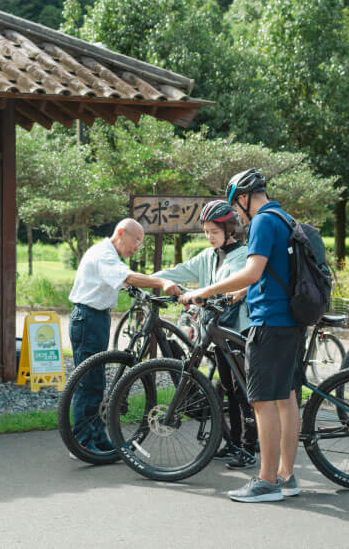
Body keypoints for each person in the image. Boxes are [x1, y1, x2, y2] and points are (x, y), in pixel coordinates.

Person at [180, 169, 303, 503]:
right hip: (292, 320)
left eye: (237, 204)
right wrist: (237, 293)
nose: (238, 211)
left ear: (245, 197)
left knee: (262, 402)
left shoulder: (264, 220)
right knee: (287, 399)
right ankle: (286, 477)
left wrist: (204, 291)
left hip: (269, 321)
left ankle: (266, 481)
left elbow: (252, 271)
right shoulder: (285, 217)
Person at [152, 200, 258, 469]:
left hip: (238, 329)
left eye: (214, 231)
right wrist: (150, 280)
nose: (209, 236)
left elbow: (235, 285)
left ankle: (249, 448)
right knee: (227, 389)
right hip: (217, 332)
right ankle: (234, 442)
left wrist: (204, 295)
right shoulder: (208, 256)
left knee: (242, 389)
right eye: (206, 231)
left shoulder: (243, 255)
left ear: (229, 229)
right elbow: (179, 271)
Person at [68, 218, 180, 453]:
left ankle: (97, 437)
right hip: (88, 318)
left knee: (96, 381)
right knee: (89, 383)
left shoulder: (108, 254)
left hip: (95, 318)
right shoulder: (104, 254)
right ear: (121, 233)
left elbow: (125, 282)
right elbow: (127, 277)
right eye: (136, 240)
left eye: (141, 243)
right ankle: (82, 442)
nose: (137, 247)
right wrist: (161, 282)